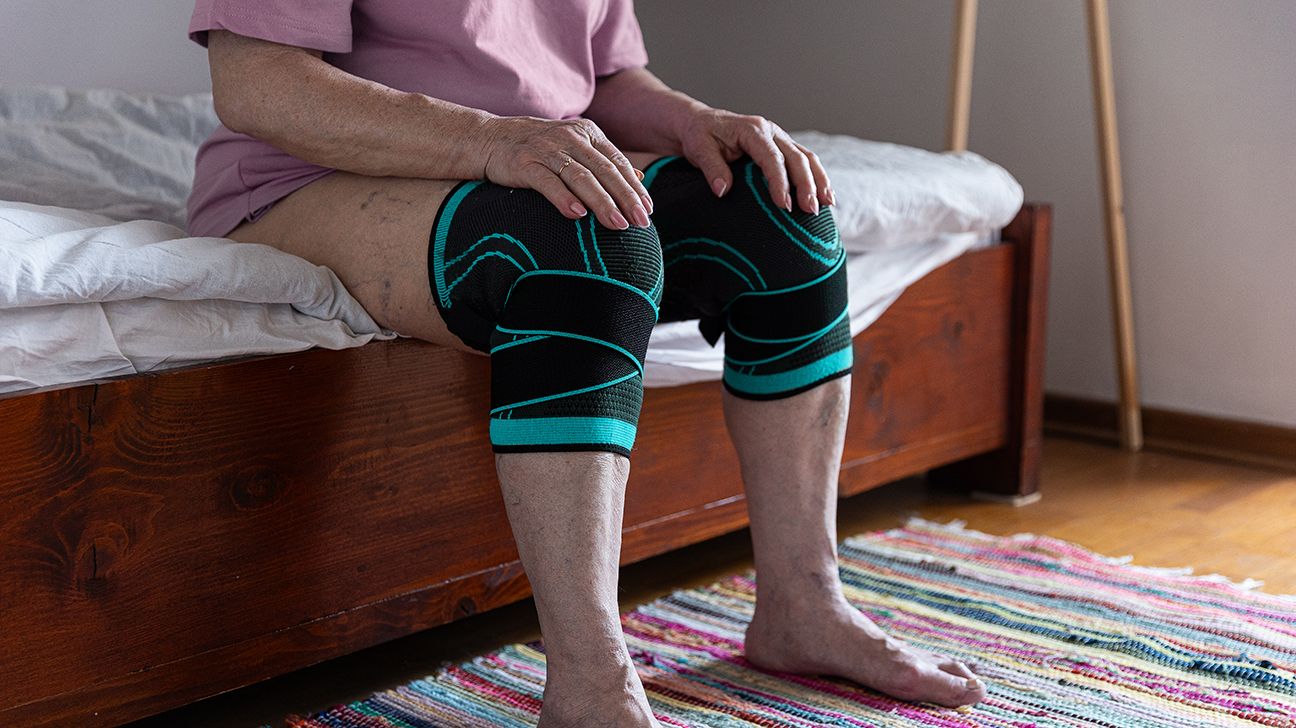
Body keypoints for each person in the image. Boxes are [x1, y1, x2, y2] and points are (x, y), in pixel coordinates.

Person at [187, 1, 986, 724]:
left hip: (529, 164)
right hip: (318, 180)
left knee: (782, 215)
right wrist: (493, 140)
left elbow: (600, 76)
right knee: (586, 244)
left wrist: (692, 121)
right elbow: (259, 83)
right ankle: (590, 681)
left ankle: (805, 605)